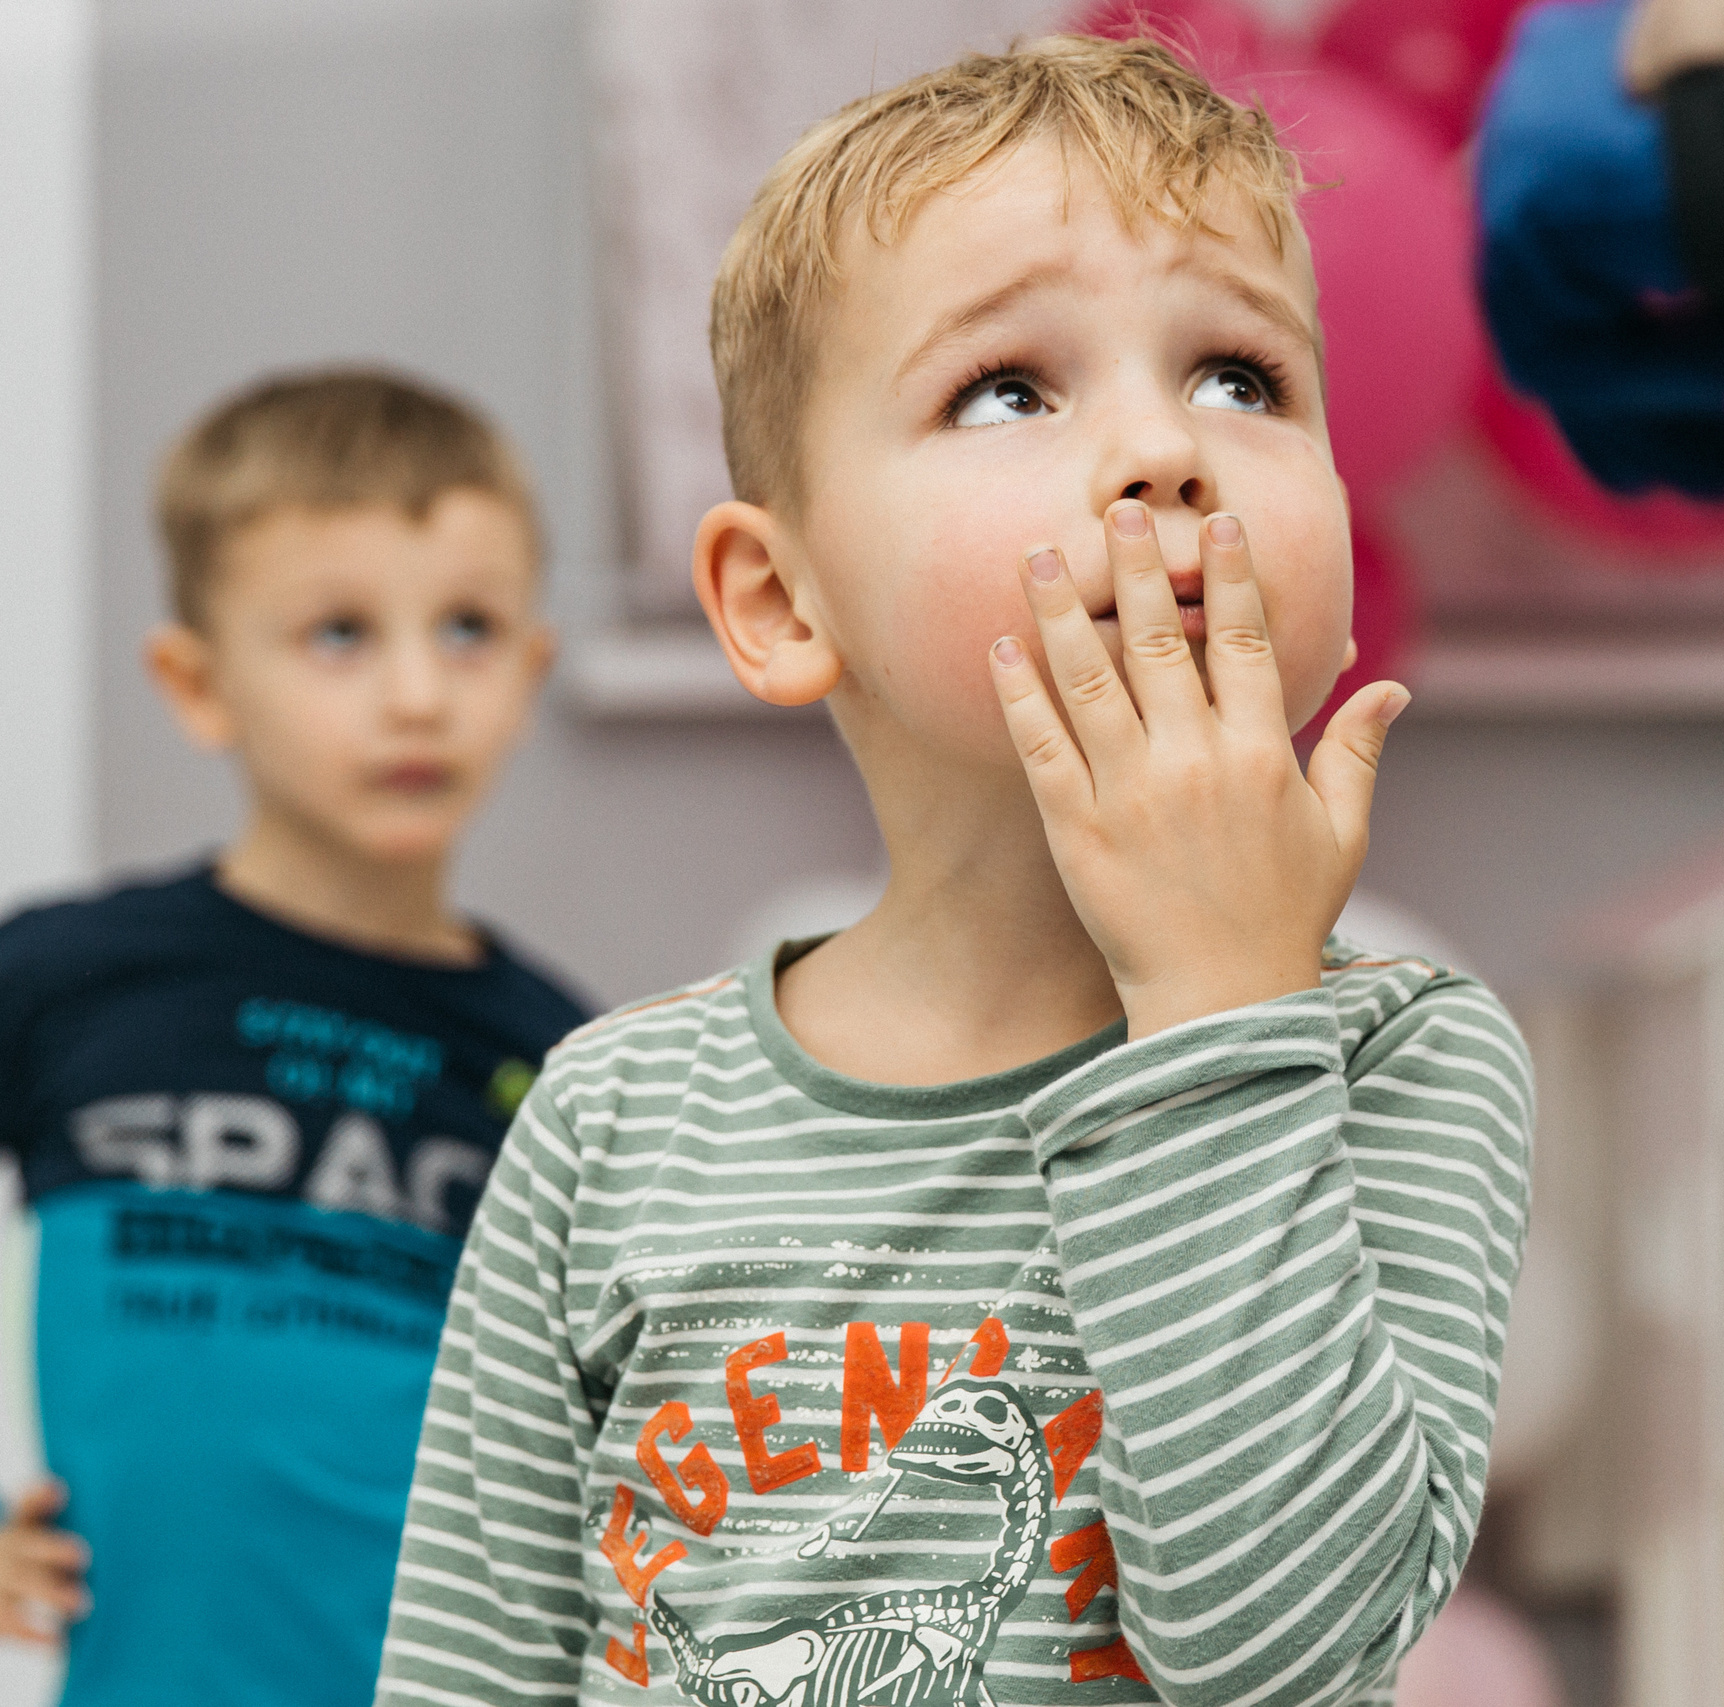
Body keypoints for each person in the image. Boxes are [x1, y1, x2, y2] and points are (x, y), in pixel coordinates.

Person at [372, 35, 1530, 1707]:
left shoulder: (1405, 1065)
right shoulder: (613, 1117)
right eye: (1011, 388)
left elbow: (1274, 1657)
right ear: (780, 601)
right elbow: (467, 1673)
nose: (1169, 453)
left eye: (1242, 379)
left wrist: (1218, 1012)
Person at [0, 369, 587, 1706]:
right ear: (199, 684)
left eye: (468, 629)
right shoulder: (69, 976)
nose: (417, 693)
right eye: (339, 634)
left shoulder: (569, 1067)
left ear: (531, 668)